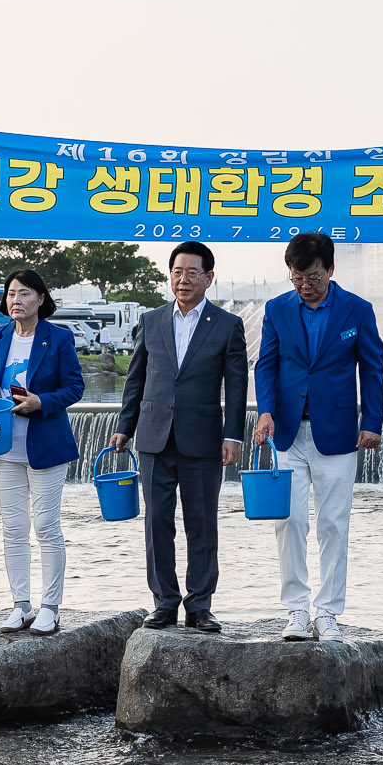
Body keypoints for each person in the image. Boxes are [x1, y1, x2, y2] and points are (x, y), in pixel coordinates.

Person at [252, 232, 383, 642]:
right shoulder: (277, 309)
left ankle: (327, 612)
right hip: (287, 433)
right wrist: (266, 411)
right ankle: (295, 609)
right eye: (296, 278)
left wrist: (373, 421)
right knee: (288, 521)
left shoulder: (357, 310)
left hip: (339, 432)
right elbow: (266, 366)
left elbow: (372, 369)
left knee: (333, 524)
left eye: (312, 276)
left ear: (330, 268)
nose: (304, 285)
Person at [112, 242, 246, 632]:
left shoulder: (227, 325)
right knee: (157, 523)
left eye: (192, 272)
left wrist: (233, 436)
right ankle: (164, 603)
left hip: (203, 439)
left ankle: (200, 605)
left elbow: (236, 387)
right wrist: (124, 425)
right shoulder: (151, 320)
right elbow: (136, 378)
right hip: (153, 437)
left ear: (208, 277)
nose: (183, 280)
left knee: (202, 524)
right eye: (176, 272)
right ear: (169, 275)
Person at [0, 268, 86, 633]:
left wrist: (41, 401)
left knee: (45, 525)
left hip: (45, 445)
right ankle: (21, 605)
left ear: (41, 299)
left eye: (25, 293)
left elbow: (75, 387)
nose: (16, 300)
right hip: (4, 445)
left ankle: (50, 606)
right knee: (12, 528)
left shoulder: (57, 338)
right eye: (11, 294)